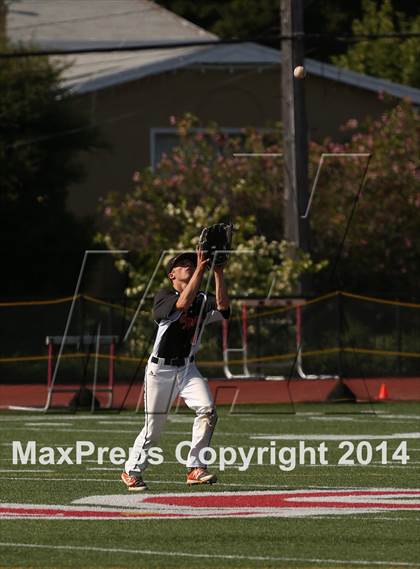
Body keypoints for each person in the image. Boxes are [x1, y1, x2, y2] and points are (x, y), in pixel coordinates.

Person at [121, 249, 230, 491]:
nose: (189, 265)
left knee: (208, 410)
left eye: (192, 262)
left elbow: (224, 309)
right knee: (153, 430)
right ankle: (131, 471)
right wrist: (202, 269)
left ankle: (195, 468)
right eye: (183, 264)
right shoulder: (164, 296)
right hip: (160, 371)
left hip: (186, 368)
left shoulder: (202, 299)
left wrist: (219, 273)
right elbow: (182, 304)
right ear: (172, 275)